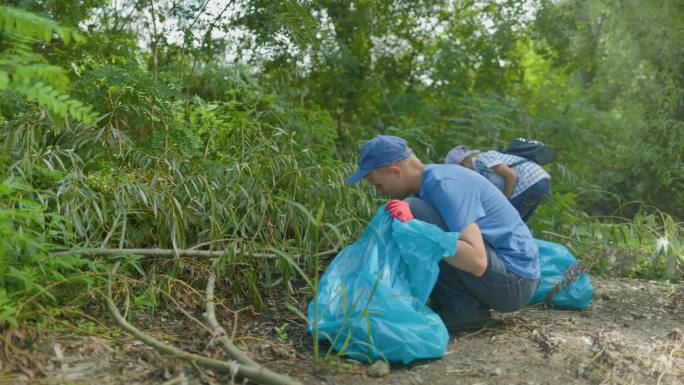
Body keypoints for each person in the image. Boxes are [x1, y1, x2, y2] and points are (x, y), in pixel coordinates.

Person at [346, 135, 540, 331]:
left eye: (377, 184)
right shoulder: (431, 183)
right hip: (506, 275)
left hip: (515, 283)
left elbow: (477, 261)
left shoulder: (446, 185)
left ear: (396, 172)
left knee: (414, 210)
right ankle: (457, 303)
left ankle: (463, 308)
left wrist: (420, 230)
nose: (379, 192)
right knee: (416, 214)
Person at [445, 145, 551, 223]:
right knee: (519, 222)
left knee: (508, 221)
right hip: (539, 181)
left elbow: (511, 175)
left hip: (531, 180)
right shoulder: (478, 173)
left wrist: (503, 202)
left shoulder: (482, 160)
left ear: (462, 164)